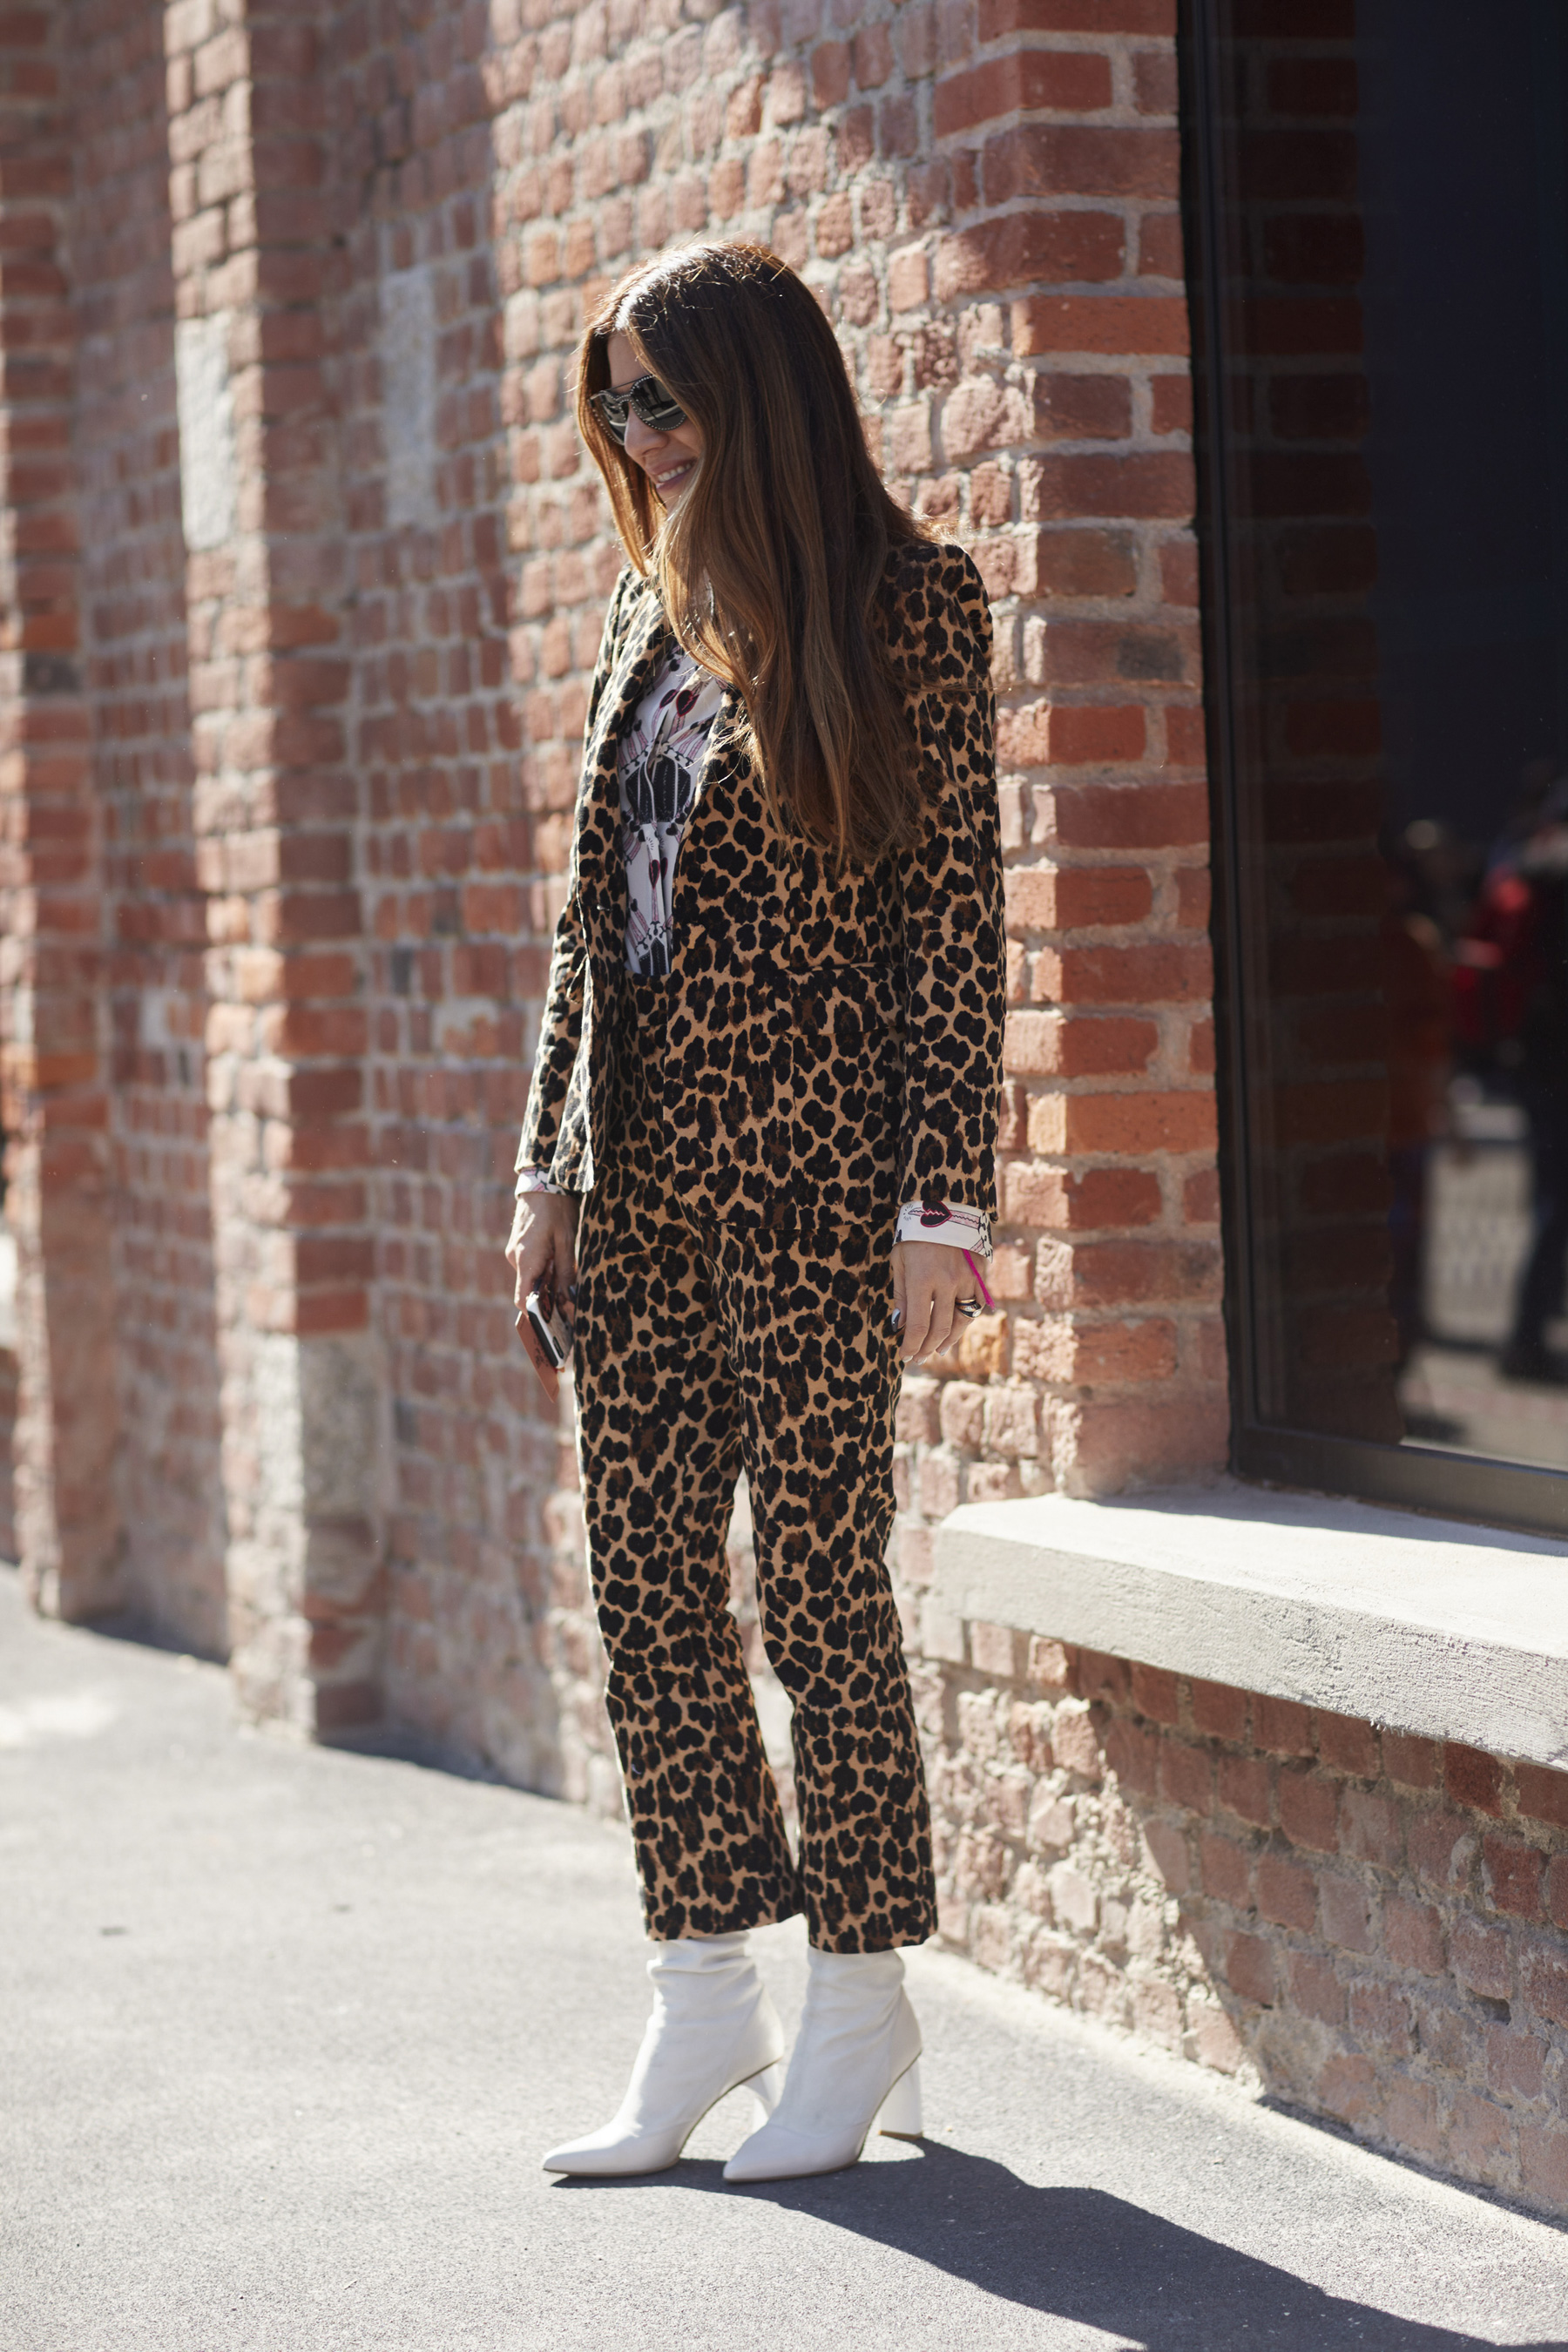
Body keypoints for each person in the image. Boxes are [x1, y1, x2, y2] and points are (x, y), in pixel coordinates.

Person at [504, 240, 1004, 2183]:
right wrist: (545, 1168)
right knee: (647, 1592)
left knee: (815, 1590)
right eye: (616, 402)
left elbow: (950, 923)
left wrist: (940, 1200)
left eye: (669, 398)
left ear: (762, 393)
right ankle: (703, 1989)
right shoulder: (647, 603)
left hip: (811, 1186)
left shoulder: (908, 603)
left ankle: (860, 2001)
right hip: (630, 1189)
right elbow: (587, 929)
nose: (639, 433)